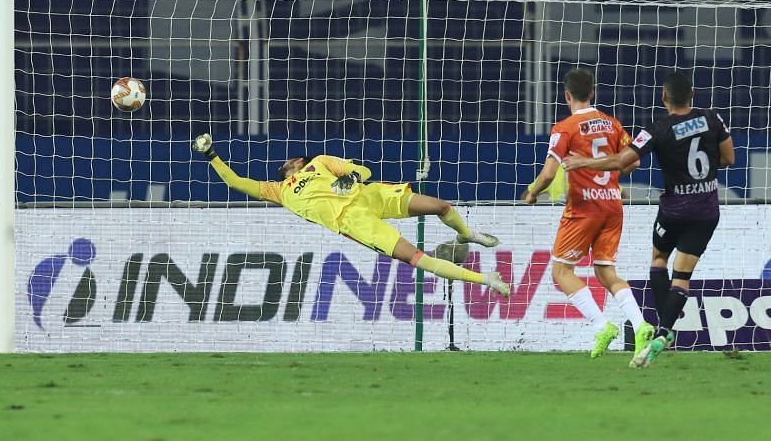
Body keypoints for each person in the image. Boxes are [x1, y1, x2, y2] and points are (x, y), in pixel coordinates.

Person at [192, 134, 511, 297]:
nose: (283, 164)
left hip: (369, 195)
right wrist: (211, 155)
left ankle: (467, 234)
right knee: (419, 259)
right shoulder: (278, 191)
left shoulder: (319, 162)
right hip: (355, 223)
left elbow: (362, 168)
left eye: (288, 161)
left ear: (299, 161)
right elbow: (235, 182)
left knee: (441, 206)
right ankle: (486, 279)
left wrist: (352, 177)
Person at [564, 72, 734, 368]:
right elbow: (728, 158)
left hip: (674, 210)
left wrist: (583, 161)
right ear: (692, 94)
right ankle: (665, 333)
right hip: (707, 209)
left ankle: (657, 325)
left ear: (663, 97)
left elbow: (621, 161)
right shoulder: (712, 118)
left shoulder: (657, 129)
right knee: (682, 277)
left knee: (659, 260)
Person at [523, 68, 653, 359]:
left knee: (561, 271)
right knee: (606, 271)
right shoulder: (612, 123)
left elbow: (548, 173)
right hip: (612, 205)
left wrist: (533, 192)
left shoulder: (565, 127)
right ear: (592, 92)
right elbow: (631, 164)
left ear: (567, 95)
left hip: (583, 208)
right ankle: (641, 323)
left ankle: (601, 325)